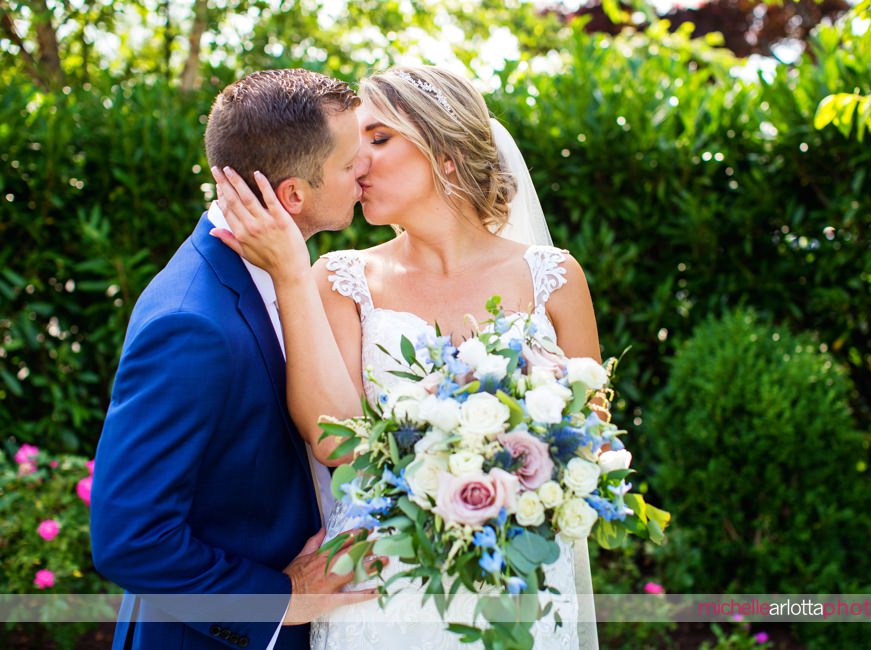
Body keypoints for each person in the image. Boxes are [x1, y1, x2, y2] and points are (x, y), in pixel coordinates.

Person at [211, 65, 600, 649]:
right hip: (384, 589)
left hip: (521, 582)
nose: (357, 161)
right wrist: (290, 274)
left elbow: (589, 437)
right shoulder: (340, 280)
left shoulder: (554, 278)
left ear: (444, 152)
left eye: (379, 137)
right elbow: (332, 439)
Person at [90, 69, 383, 650]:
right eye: (351, 164)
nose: (364, 172)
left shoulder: (283, 276)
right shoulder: (190, 323)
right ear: (295, 193)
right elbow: (130, 537)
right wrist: (281, 601)